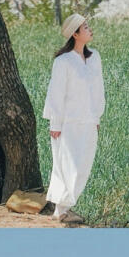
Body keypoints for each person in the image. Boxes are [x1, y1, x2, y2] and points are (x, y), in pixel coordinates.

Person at [43, 12, 105, 224]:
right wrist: (55, 122)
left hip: (88, 120)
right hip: (68, 122)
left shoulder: (94, 57)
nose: (90, 29)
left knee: (83, 166)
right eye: (85, 27)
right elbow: (56, 93)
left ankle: (63, 208)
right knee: (66, 164)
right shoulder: (63, 61)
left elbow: (99, 90)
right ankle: (61, 209)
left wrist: (96, 117)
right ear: (75, 34)